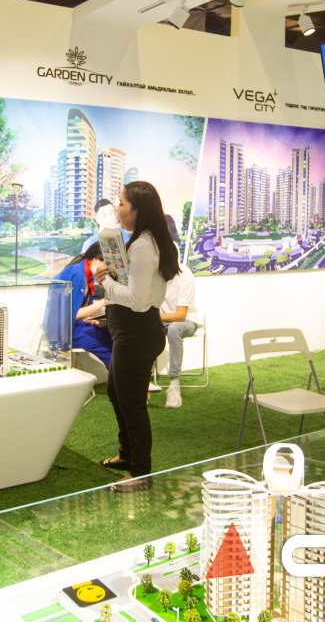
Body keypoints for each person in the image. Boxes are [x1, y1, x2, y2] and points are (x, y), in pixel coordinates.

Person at [93, 181, 178, 491]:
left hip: (136, 333)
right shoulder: (147, 241)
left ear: (138, 210)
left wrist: (104, 281)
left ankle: (141, 473)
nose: (118, 209)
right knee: (118, 393)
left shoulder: (143, 245)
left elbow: (137, 300)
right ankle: (128, 455)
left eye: (122, 204)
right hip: (132, 333)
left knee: (131, 403)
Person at [159, 215, 199, 409]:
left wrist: (155, 317)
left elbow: (180, 316)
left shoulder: (184, 276)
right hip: (162, 321)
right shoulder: (155, 277)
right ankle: (142, 381)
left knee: (175, 328)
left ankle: (174, 384)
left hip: (187, 322)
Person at [54, 243, 114, 367]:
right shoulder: (77, 274)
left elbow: (80, 311)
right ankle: (120, 376)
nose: (107, 270)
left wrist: (92, 320)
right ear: (96, 260)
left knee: (111, 336)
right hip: (65, 332)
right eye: (107, 264)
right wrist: (105, 301)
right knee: (107, 347)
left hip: (75, 327)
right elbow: (73, 314)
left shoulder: (84, 273)